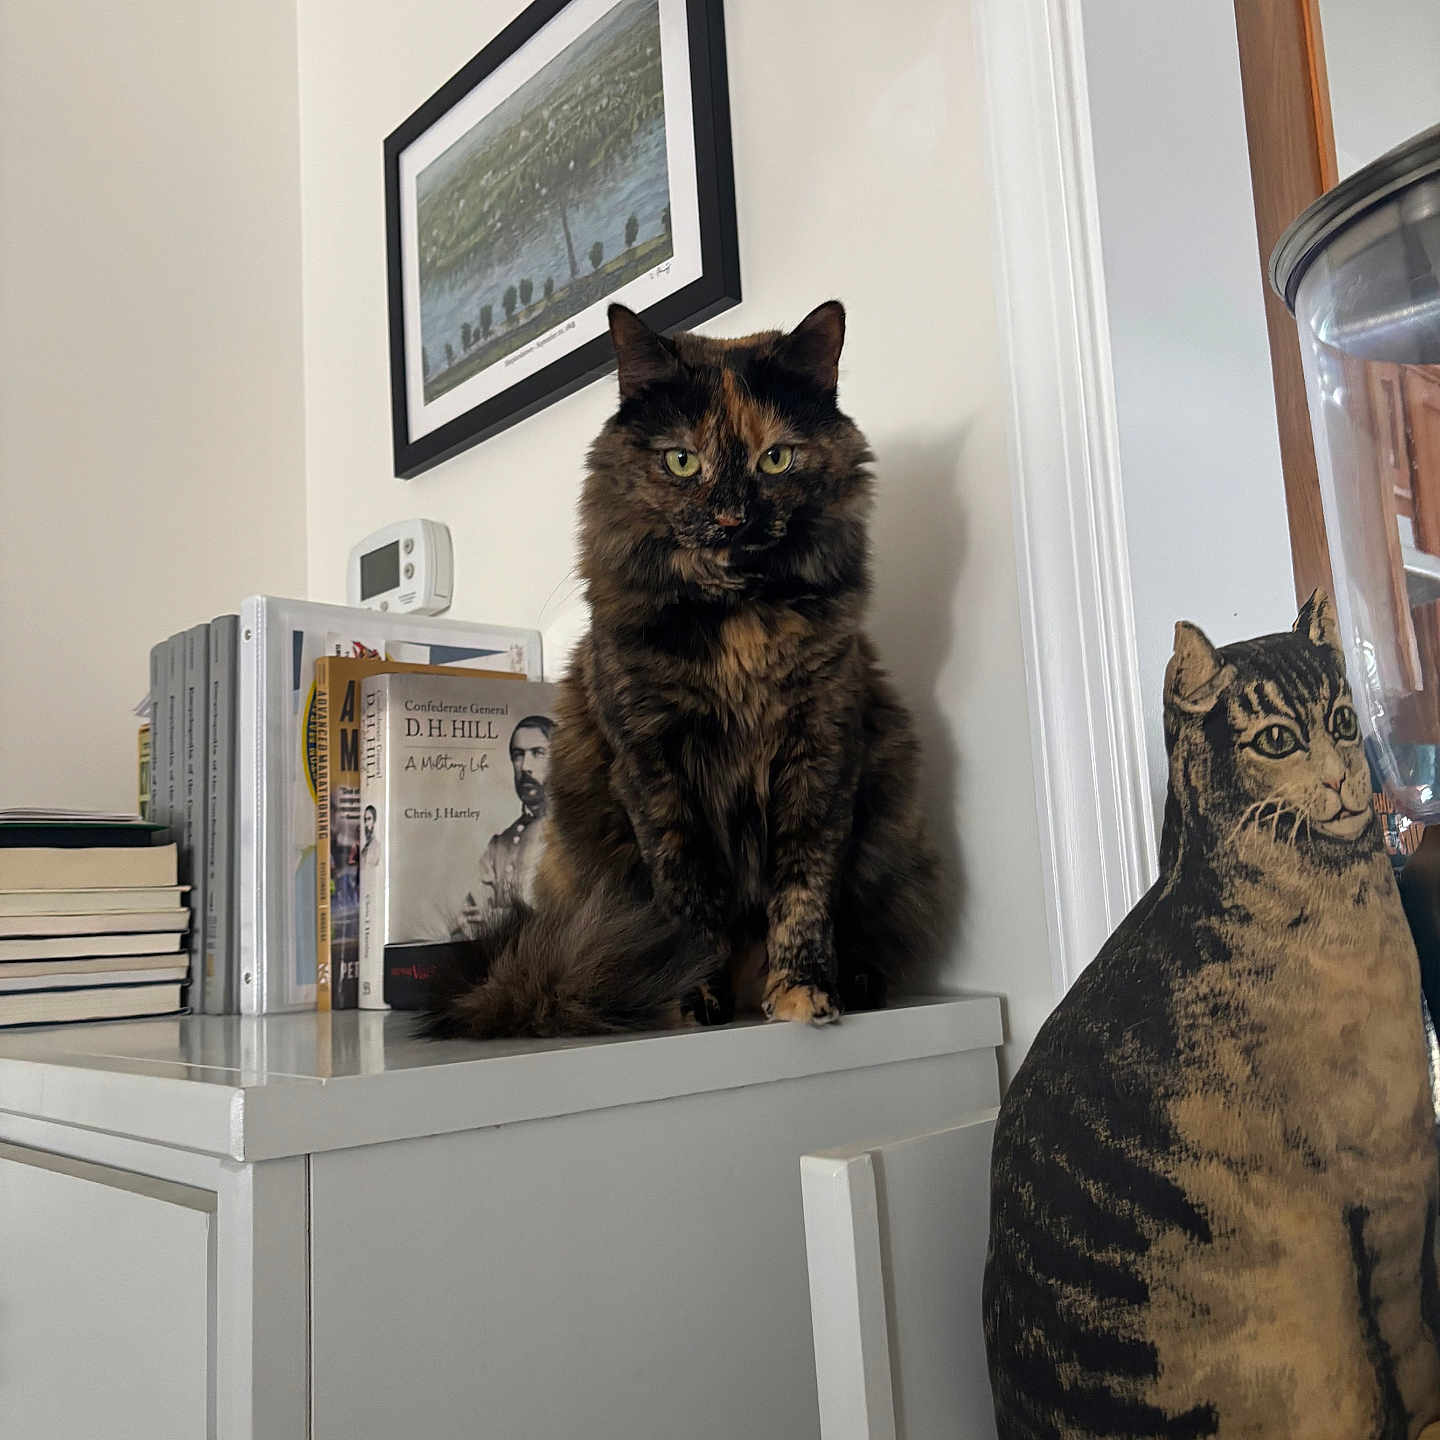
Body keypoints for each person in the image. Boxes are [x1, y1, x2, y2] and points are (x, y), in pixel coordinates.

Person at [461, 716, 553, 930]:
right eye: (518, 755)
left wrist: (496, 917)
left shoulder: (577, 834)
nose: (525, 767)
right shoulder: (499, 844)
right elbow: (469, 915)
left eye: (538, 753)